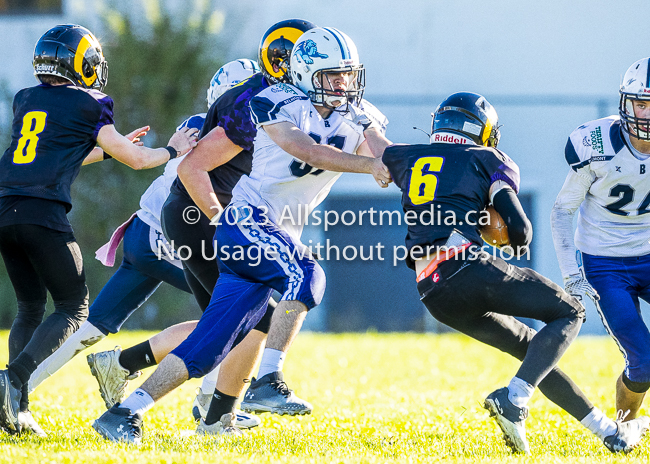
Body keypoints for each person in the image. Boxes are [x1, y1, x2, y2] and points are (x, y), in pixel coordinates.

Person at [91, 26, 391, 444]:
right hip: (247, 221)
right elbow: (307, 150)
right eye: (332, 76)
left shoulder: (356, 113)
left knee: (218, 337)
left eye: (347, 75)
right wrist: (217, 219)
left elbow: (378, 149)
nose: (343, 85)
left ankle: (131, 412)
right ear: (304, 74)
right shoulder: (271, 102)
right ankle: (267, 379)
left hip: (271, 230)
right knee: (307, 276)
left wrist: (413, 164)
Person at [382, 91, 650, 454]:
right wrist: (506, 239)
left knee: (534, 351)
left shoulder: (406, 155)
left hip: (431, 289)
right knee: (570, 311)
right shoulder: (488, 157)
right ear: (484, 131)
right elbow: (520, 229)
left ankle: (608, 432)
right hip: (463, 264)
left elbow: (376, 149)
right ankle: (515, 399)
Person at [24, 59, 260, 430]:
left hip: (144, 234)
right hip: (164, 238)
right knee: (238, 311)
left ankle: (17, 385)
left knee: (92, 328)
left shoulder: (208, 124)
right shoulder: (226, 132)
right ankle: (207, 404)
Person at [0, 24, 197, 434]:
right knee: (75, 308)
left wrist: (107, 151)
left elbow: (59, 155)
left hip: (5, 209)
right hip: (42, 213)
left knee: (30, 308)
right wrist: (174, 148)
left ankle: (15, 409)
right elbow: (139, 161)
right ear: (81, 64)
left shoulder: (26, 98)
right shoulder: (91, 102)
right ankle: (11, 380)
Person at [551, 57, 650, 424]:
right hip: (606, 263)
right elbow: (562, 211)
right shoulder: (597, 143)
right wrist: (570, 273)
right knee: (643, 362)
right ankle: (625, 426)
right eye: (642, 103)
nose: (647, 113)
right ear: (625, 103)